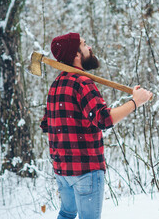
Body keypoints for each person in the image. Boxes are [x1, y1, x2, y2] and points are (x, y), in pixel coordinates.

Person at [40, 32, 152, 219]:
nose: (89, 47)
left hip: (63, 172)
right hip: (86, 172)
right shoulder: (83, 83)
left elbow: (47, 125)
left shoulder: (56, 85)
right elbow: (104, 119)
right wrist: (135, 102)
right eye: (84, 45)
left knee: (66, 214)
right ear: (76, 55)